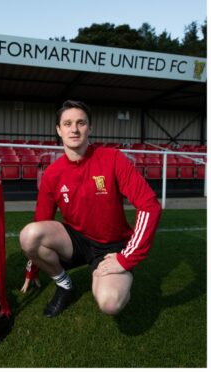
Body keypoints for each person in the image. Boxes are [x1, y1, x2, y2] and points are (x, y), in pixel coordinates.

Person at [19, 100, 161, 317]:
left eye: (80, 123)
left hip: (111, 247)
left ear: (90, 127)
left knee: (110, 303)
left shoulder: (112, 159)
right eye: (67, 123)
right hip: (76, 241)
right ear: (59, 130)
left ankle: (108, 275)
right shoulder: (52, 173)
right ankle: (65, 286)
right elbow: (42, 219)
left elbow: (149, 206)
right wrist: (33, 267)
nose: (74, 129)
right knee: (29, 235)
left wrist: (126, 259)